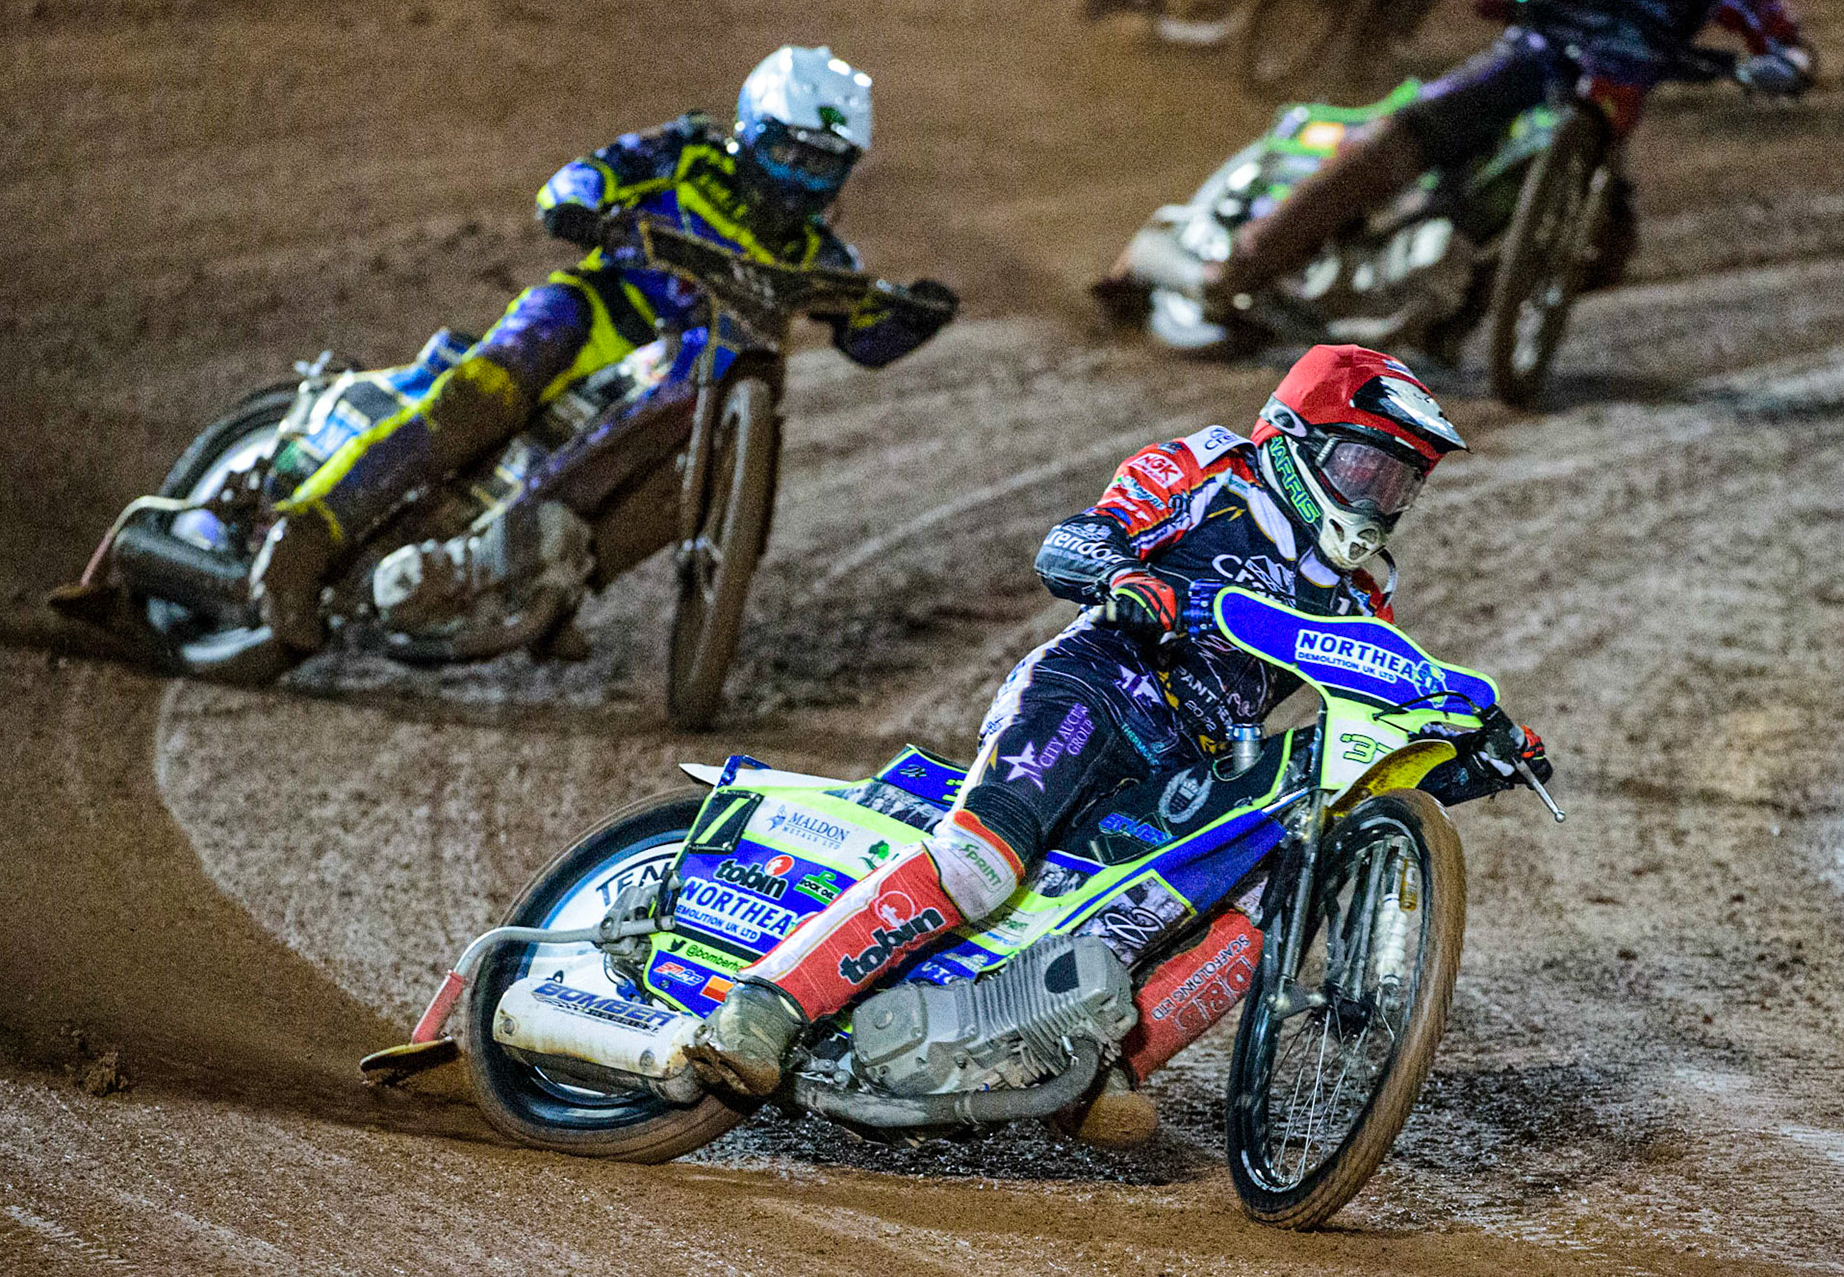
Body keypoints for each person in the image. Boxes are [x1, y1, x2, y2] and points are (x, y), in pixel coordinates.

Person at [688, 344, 1550, 1109]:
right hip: (1097, 688)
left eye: (1401, 483)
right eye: (1368, 471)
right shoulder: (1216, 470)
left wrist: (1469, 752)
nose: (1382, 499)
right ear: (1297, 443)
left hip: (1192, 763)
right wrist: (1124, 574)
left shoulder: (1365, 592)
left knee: (1265, 901)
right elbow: (1074, 541)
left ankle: (1103, 1076)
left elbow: (1368, 727)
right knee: (981, 863)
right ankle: (764, 1007)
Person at [252, 46, 959, 650]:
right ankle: (299, 543)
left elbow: (865, 338)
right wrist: (580, 201)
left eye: (823, 167)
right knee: (492, 386)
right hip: (597, 314)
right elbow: (591, 173)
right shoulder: (686, 154)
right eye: (786, 152)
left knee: (693, 480)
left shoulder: (821, 257)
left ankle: (541, 588)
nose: (799, 179)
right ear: (750, 129)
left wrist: (913, 312)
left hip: (695, 378)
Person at [1177, 0, 1816, 316]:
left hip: (1602, 126)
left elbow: (1785, 40)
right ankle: (1239, 267)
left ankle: (1461, 309)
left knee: (1609, 251)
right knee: (1400, 144)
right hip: (1529, 67)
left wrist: (1783, 66)